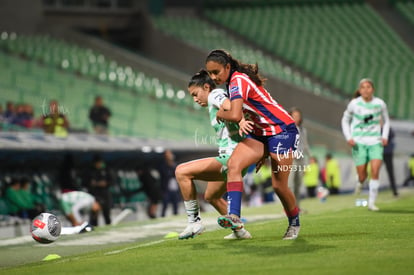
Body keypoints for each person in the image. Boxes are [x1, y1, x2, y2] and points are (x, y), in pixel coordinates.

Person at [207, 49, 301, 240]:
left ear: (227, 67)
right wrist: (262, 151)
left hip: (282, 130)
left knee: (278, 186)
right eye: (210, 73)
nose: (213, 77)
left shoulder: (238, 80)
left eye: (216, 72)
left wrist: (219, 113)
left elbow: (234, 115)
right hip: (260, 134)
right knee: (233, 164)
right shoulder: (232, 84)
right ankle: (234, 215)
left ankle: (294, 223)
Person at [175, 69, 252, 240]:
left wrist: (240, 120)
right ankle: (239, 231)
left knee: (181, 171)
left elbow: (230, 107)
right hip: (240, 160)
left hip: (231, 158)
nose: (195, 99)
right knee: (211, 196)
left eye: (195, 94)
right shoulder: (217, 96)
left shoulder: (214, 94)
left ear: (206, 87)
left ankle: (194, 222)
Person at [341, 78, 390, 211]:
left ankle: (371, 203)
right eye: (363, 87)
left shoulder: (380, 103)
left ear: (372, 89)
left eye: (368, 87)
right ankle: (360, 181)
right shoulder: (354, 104)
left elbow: (386, 121)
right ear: (359, 90)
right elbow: (345, 120)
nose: (366, 89)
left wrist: (384, 136)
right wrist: (349, 137)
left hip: (375, 141)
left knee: (375, 171)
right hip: (359, 142)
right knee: (362, 175)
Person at [288, 107, 311, 206]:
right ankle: (289, 208)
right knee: (290, 185)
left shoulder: (303, 130)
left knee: (298, 184)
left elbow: (305, 145)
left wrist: (310, 157)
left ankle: (297, 207)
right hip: (290, 160)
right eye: (294, 116)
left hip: (301, 159)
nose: (296, 118)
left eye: (298, 116)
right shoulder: (287, 129)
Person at [84, 154, 113, 226]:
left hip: (105, 195)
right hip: (94, 195)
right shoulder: (89, 171)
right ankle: (94, 227)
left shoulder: (106, 170)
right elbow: (84, 183)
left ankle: (109, 226)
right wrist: (92, 184)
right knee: (94, 215)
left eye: (100, 162)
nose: (99, 164)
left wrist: (104, 183)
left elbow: (111, 181)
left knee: (107, 214)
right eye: (98, 163)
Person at [159, 149, 181, 218]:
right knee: (165, 205)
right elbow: (166, 174)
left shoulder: (175, 164)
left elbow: (177, 174)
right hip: (166, 189)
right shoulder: (163, 165)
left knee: (176, 206)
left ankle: (176, 218)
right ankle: (162, 217)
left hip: (175, 189)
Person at [383, 127, 398, 196]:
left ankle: (394, 191)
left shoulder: (387, 128)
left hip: (387, 153)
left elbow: (392, 136)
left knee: (390, 172)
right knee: (374, 172)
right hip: (377, 153)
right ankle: (372, 191)